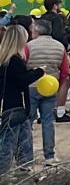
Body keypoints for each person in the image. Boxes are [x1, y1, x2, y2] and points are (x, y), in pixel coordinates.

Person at [24, 21, 68, 166]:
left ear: (36, 31)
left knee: (27, 123)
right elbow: (64, 71)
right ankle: (49, 155)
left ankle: (26, 158)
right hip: (50, 87)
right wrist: (58, 85)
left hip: (31, 86)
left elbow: (23, 66)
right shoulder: (60, 47)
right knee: (48, 121)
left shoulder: (29, 46)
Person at [1, 25, 44, 173]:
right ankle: (17, 172)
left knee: (16, 142)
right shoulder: (14, 61)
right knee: (14, 144)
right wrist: (39, 72)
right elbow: (21, 80)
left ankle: (20, 170)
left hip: (7, 107)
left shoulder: (4, 60)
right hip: (16, 107)